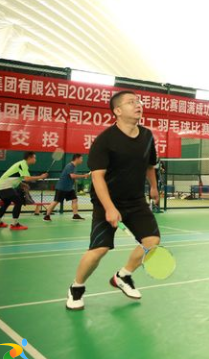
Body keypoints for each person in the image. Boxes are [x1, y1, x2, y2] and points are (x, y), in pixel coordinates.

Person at [66, 91, 160, 311]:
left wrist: (154, 187)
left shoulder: (147, 136)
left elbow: (150, 165)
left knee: (152, 242)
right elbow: (97, 177)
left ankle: (123, 276)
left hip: (135, 200)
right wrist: (109, 208)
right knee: (99, 249)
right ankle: (76, 288)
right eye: (131, 102)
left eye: (138, 101)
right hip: (106, 200)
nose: (138, 105)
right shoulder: (105, 140)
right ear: (117, 111)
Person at [0, 152, 48, 230]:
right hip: (5, 186)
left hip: (2, 186)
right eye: (34, 157)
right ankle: (15, 224)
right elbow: (27, 178)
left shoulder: (21, 164)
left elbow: (15, 176)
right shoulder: (23, 164)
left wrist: (22, 184)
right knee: (18, 202)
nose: (35, 159)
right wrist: (40, 176)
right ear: (29, 158)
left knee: (6, 203)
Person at [44, 154, 90, 222]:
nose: (82, 160)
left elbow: (71, 177)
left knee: (74, 199)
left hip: (69, 188)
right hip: (62, 187)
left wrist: (75, 180)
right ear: (77, 158)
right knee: (56, 201)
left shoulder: (74, 166)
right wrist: (84, 176)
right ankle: (47, 216)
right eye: (81, 159)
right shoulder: (70, 166)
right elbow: (72, 176)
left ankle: (75, 215)